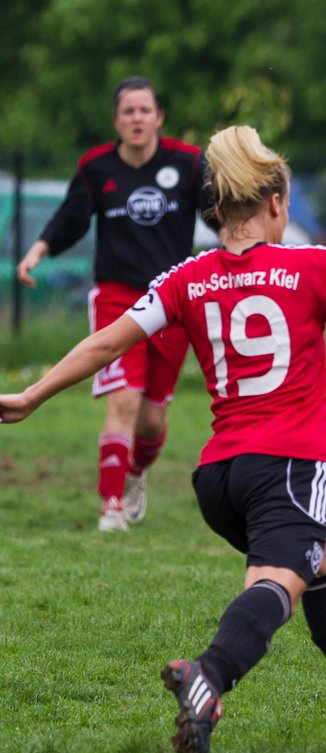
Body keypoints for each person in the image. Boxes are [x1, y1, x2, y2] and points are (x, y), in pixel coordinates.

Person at [0, 125, 326, 753]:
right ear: (276, 202)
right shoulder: (312, 267)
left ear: (217, 210)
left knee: (321, 568)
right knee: (277, 587)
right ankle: (209, 676)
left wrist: (32, 395)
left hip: (219, 481)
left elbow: (107, 341)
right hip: (289, 467)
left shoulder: (186, 278)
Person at [16, 76, 210, 532]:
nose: (137, 119)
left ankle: (136, 475)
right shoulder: (96, 168)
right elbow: (71, 219)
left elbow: (219, 214)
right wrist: (39, 250)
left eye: (145, 110)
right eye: (128, 111)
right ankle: (110, 507)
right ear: (116, 120)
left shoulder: (188, 163)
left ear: (159, 117)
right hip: (117, 297)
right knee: (123, 399)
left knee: (151, 420)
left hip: (173, 298)